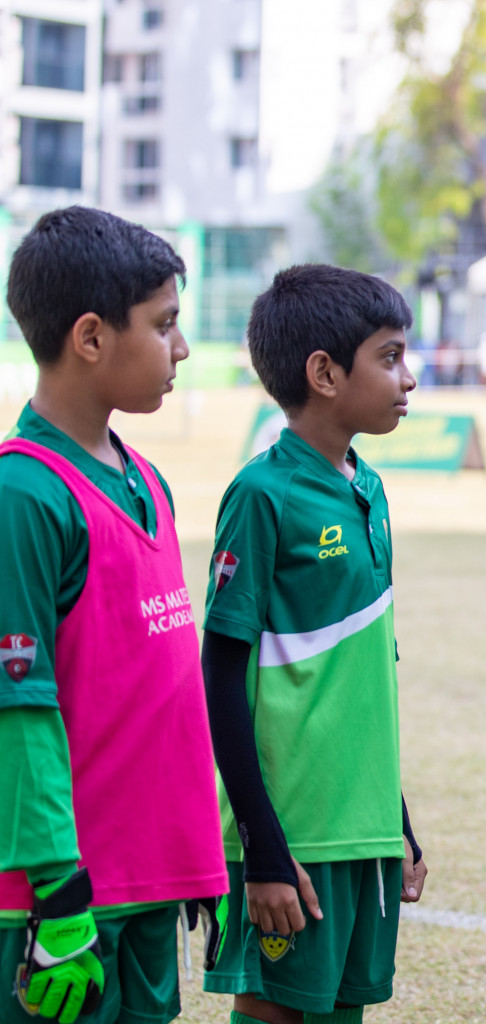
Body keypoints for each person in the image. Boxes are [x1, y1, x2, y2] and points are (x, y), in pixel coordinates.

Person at [0, 207, 227, 1024]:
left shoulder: (150, 482)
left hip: (147, 888)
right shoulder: (22, 494)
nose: (182, 348)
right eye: (165, 324)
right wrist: (58, 894)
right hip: (61, 906)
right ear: (91, 337)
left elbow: (163, 699)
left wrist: (206, 860)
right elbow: (17, 713)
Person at [200, 266, 428, 1024]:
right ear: (325, 373)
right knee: (275, 1010)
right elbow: (220, 676)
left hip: (361, 827)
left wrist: (395, 819)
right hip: (293, 830)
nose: (411, 377)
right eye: (390, 357)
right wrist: (261, 844)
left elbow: (362, 674)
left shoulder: (370, 488)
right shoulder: (262, 494)